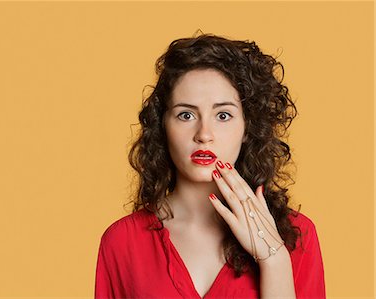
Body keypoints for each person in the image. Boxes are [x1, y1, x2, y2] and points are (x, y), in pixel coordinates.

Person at [95, 33, 326, 298]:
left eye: (223, 115)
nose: (204, 133)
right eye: (186, 115)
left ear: (247, 128)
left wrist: (275, 262)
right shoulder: (122, 242)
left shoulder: (299, 236)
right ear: (163, 126)